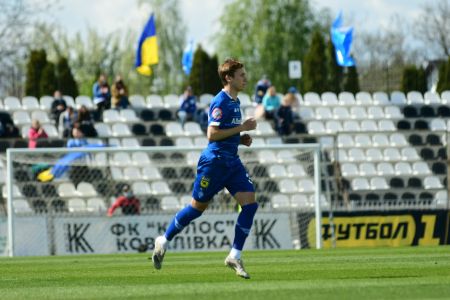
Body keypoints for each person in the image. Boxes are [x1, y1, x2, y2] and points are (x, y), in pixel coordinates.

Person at [152, 58, 258, 279]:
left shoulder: (235, 101)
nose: (245, 78)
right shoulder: (220, 101)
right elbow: (212, 135)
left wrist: (240, 139)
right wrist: (242, 127)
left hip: (231, 162)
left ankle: (234, 255)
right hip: (214, 163)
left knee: (250, 203)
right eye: (241, 75)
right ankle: (164, 240)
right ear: (229, 78)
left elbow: (225, 134)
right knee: (196, 209)